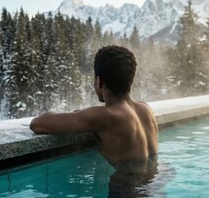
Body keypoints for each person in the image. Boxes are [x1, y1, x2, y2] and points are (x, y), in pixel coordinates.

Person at [30, 45, 158, 167]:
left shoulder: (104, 116)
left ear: (99, 81)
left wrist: (78, 114)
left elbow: (37, 124)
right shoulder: (146, 109)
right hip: (155, 183)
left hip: (127, 187)